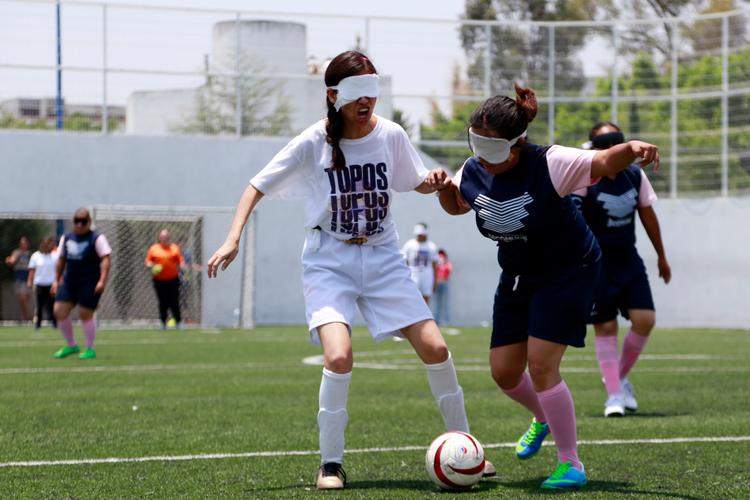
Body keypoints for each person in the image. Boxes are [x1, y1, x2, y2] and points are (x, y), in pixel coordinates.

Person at [206, 50, 494, 490]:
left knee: (436, 349)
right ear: (334, 96)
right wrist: (232, 238)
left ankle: (468, 445)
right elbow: (256, 185)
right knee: (339, 355)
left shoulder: (392, 135)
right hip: (329, 260)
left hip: (382, 257)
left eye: (373, 92)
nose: (367, 103)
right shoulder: (313, 140)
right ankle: (331, 464)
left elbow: (414, 179)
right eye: (358, 94)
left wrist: (435, 183)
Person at [437, 84, 660, 490]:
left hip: (569, 270)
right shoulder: (473, 169)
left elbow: (607, 160)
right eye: (476, 145)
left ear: (517, 144)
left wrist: (632, 148)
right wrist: (442, 191)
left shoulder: (551, 162)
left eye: (493, 149)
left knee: (541, 365)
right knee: (504, 373)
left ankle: (571, 462)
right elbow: (458, 204)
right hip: (519, 273)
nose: (483, 158)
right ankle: (543, 416)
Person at [573, 122, 671, 417]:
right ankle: (614, 394)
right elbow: (572, 218)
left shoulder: (634, 175)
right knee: (605, 326)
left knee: (645, 319)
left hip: (628, 259)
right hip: (596, 263)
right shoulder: (585, 177)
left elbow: (647, 215)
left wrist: (661, 256)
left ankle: (617, 377)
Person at [52, 208, 112, 360]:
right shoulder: (66, 237)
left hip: (90, 282)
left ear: (89, 222)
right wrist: (56, 280)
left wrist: (102, 281)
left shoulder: (96, 238)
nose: (79, 225)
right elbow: (61, 260)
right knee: (59, 311)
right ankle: (72, 345)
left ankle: (90, 348)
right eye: (76, 221)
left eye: (83, 221)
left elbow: (106, 259)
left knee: (85, 313)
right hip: (70, 281)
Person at [145, 229, 186, 330]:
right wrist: (152, 266)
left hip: (173, 279)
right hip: (159, 280)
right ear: (159, 238)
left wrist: (182, 266)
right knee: (163, 302)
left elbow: (180, 261)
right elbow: (148, 262)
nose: (164, 238)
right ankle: (163, 323)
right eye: (162, 236)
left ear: (169, 237)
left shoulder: (174, 248)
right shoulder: (154, 248)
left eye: (166, 236)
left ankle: (178, 322)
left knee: (174, 301)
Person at [400, 223, 439, 304]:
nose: (419, 236)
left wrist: (435, 281)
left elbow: (434, 265)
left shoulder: (431, 246)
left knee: (426, 297)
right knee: (412, 297)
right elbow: (403, 262)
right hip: (413, 274)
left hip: (427, 274)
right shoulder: (409, 245)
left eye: (421, 234)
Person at [27, 236, 59, 329]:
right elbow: (32, 270)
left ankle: (54, 323)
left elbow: (58, 270)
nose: (45, 246)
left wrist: (58, 281)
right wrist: (29, 280)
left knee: (52, 305)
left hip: (51, 284)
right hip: (39, 284)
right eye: (43, 244)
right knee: (39, 305)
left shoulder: (55, 256)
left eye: (47, 244)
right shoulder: (35, 256)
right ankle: (38, 324)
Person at [4, 236, 31, 323]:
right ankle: (24, 317)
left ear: (27, 244)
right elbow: (12, 260)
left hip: (28, 278)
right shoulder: (16, 252)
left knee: (25, 299)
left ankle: (24, 317)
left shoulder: (29, 254)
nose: (23, 244)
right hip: (19, 278)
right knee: (22, 299)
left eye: (24, 243)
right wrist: (9, 260)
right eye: (21, 243)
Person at [433, 249, 453, 325]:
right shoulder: (447, 261)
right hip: (444, 282)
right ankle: (446, 321)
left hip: (438, 282)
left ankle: (437, 320)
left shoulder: (437, 260)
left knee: (437, 303)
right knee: (445, 303)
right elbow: (449, 270)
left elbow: (435, 269)